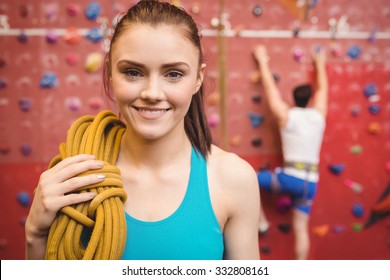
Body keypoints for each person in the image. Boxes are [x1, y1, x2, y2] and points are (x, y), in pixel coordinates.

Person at [25, 0, 261, 260]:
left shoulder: (234, 179)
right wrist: (35, 235)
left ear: (198, 79)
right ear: (111, 75)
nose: (152, 93)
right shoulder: (72, 179)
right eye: (133, 72)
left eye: (173, 74)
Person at [253, 44, 328, 260]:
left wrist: (262, 60)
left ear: (294, 99)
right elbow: (323, 90)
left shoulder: (288, 116)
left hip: (291, 178)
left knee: (250, 179)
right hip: (310, 182)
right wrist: (320, 64)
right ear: (310, 100)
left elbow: (270, 90)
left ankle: (262, 221)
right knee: (301, 231)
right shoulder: (318, 115)